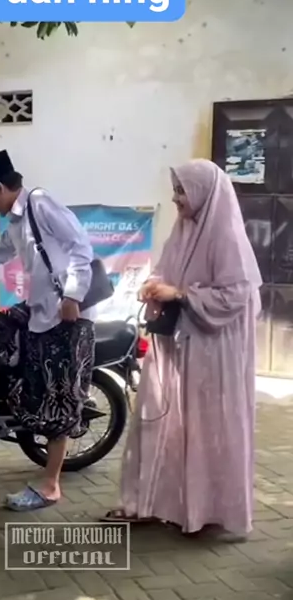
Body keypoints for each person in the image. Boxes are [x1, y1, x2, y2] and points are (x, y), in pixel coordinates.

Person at [102, 159, 262, 541]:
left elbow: (236, 294)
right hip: (177, 347)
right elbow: (167, 271)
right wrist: (155, 286)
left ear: (204, 193)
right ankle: (150, 503)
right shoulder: (183, 230)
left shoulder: (227, 237)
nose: (175, 199)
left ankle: (206, 511)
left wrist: (181, 294)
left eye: (181, 191)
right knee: (163, 425)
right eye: (175, 190)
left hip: (213, 353)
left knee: (206, 429)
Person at [0, 150, 95, 511]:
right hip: (41, 313)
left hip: (65, 317)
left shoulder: (40, 203)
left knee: (57, 399)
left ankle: (50, 487)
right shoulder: (16, 222)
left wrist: (73, 295)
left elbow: (81, 247)